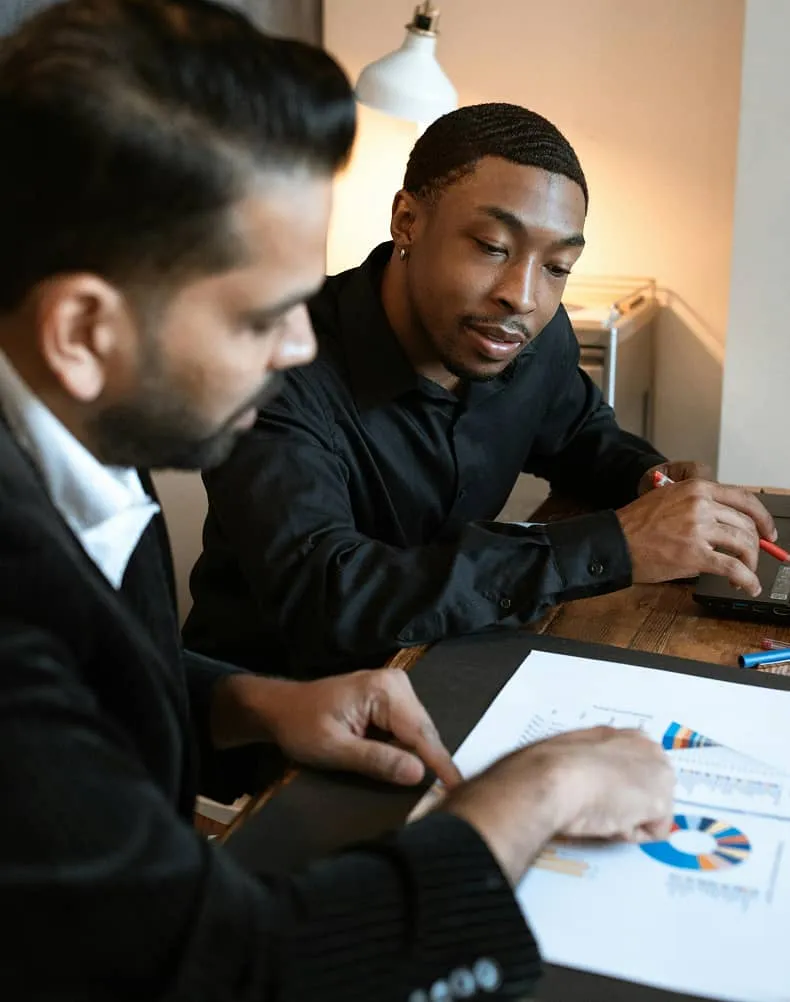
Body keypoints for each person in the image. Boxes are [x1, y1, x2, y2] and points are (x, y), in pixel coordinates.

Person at [0, 2, 681, 999]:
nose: (300, 347)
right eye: (264, 317)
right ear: (84, 332)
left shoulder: (84, 442)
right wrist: (539, 790)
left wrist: (254, 700)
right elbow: (241, 967)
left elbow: (93, 673)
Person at [183, 102, 776, 679]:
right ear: (407, 221)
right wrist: (615, 545)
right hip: (278, 715)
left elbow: (580, 436)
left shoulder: (530, 337)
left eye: (557, 267)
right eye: (494, 248)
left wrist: (652, 482)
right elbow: (331, 596)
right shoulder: (277, 366)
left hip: (450, 661)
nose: (522, 295)